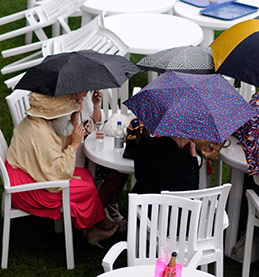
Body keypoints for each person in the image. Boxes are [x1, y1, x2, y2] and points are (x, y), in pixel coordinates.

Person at [6, 92, 119, 246]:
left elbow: (52, 148)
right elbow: (58, 175)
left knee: (85, 174)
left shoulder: (35, 123)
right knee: (86, 188)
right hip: (27, 191)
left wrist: (73, 136)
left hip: (27, 175)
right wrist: (74, 145)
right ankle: (93, 228)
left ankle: (96, 221)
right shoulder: (41, 133)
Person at [52, 90, 127, 223]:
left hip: (90, 148)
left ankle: (108, 204)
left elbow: (96, 125)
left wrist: (96, 106)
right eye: (86, 88)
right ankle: (99, 215)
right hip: (73, 158)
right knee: (116, 170)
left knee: (121, 168)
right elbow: (62, 136)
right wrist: (74, 117)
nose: (89, 90)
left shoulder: (85, 98)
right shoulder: (61, 103)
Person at [132, 135, 199, 194]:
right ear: (180, 136)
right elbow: (193, 190)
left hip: (142, 203)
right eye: (189, 137)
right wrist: (193, 156)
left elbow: (138, 174)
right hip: (173, 206)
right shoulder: (184, 159)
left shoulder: (145, 144)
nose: (190, 140)